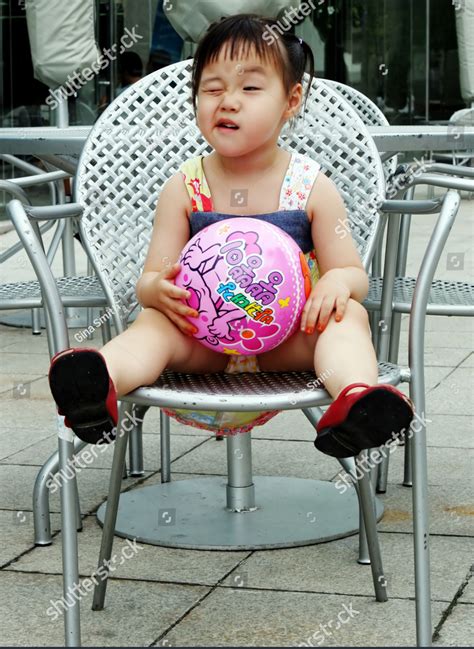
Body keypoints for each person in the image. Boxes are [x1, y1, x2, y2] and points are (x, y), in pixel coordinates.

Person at [48, 13, 414, 458]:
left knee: (348, 318)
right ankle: (98, 383)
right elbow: (151, 279)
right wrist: (157, 291)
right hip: (203, 342)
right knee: (153, 326)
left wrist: (337, 283)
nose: (228, 101)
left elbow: (353, 272)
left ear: (291, 99)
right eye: (213, 88)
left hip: (289, 340)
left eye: (251, 88)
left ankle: (355, 399)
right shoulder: (185, 187)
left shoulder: (310, 186)